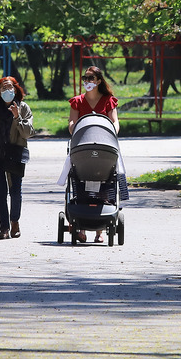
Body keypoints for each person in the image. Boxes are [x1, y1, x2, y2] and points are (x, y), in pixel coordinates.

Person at [62, 65, 128, 243]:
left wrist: (112, 131)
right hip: (82, 147)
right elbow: (72, 121)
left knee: (105, 180)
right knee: (80, 181)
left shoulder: (108, 100)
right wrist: (72, 127)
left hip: (104, 146)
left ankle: (99, 230)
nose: (87, 81)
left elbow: (114, 121)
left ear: (99, 81)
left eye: (91, 78)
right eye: (85, 78)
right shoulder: (77, 101)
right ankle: (81, 227)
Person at [0, 77, 36, 240]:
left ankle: (15, 221)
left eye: (9, 87)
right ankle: (4, 229)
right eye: (3, 88)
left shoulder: (23, 108)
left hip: (15, 154)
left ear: (16, 89)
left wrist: (17, 117)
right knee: (1, 193)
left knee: (15, 191)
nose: (7, 91)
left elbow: (28, 133)